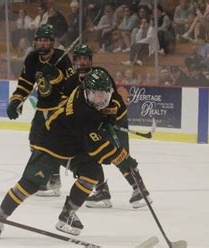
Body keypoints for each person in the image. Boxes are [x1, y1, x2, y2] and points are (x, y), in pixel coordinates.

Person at [0, 68, 141, 238]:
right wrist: (124, 159)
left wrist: (108, 116)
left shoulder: (86, 93)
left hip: (75, 143)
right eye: (97, 95)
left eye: (104, 95)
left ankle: (67, 214)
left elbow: (110, 104)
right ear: (87, 91)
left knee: (92, 173)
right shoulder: (82, 112)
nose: (102, 99)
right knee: (30, 183)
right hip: (52, 142)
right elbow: (99, 151)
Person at [64, 44, 151, 209]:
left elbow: (116, 99)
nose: (82, 62)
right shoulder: (71, 81)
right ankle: (102, 191)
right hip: (92, 124)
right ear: (75, 61)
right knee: (92, 154)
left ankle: (139, 189)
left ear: (90, 60)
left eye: (85, 59)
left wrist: (110, 116)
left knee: (120, 154)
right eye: (79, 59)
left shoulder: (100, 74)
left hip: (114, 121)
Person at [5, 24, 75, 197]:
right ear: (36, 42)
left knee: (62, 147)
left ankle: (96, 182)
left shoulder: (62, 58)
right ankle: (51, 178)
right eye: (40, 40)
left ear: (52, 42)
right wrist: (15, 101)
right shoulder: (31, 58)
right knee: (35, 142)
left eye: (46, 40)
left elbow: (73, 84)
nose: (43, 44)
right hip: (43, 107)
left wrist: (55, 75)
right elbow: (25, 84)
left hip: (61, 108)